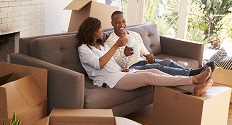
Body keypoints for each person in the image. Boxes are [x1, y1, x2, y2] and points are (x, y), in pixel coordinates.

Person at [77, 17, 212, 96]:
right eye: (99, 28)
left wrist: (123, 64)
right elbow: (99, 64)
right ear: (91, 31)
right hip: (108, 80)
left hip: (119, 73)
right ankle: (192, 80)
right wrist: (116, 46)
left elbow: (111, 62)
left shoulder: (102, 46)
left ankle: (194, 88)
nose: (102, 30)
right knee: (148, 77)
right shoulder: (83, 49)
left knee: (154, 71)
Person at [105, 11, 215, 77]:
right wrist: (125, 54)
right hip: (132, 67)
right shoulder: (111, 41)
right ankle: (192, 75)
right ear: (112, 24)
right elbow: (117, 63)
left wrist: (149, 56)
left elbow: (144, 52)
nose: (121, 24)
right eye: (117, 22)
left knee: (167, 62)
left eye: (123, 21)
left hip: (142, 61)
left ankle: (193, 72)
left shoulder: (134, 35)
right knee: (157, 67)